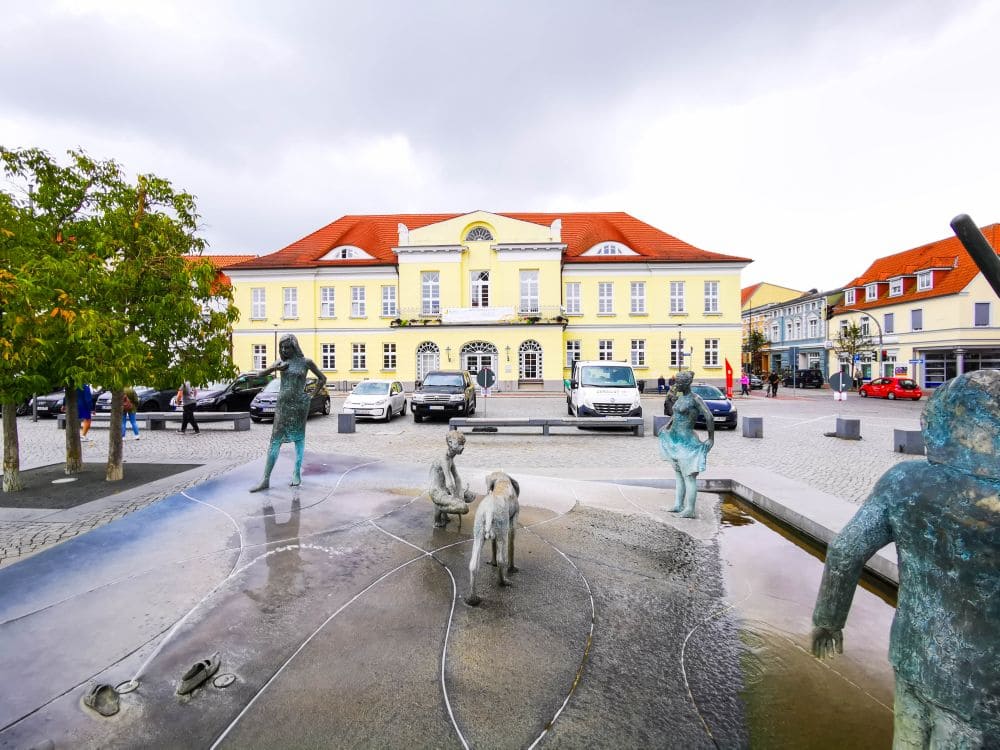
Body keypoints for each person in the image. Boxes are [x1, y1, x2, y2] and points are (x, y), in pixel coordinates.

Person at [812, 370, 999, 746]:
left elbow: (846, 551)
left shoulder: (904, 481)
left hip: (912, 653)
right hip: (981, 685)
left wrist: (828, 621)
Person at [250, 334, 327, 491]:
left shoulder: (306, 362)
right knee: (275, 441)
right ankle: (265, 479)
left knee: (299, 439)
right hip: (283, 405)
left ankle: (296, 472)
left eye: (287, 347)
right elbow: (259, 375)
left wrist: (312, 395)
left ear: (295, 347)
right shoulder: (280, 362)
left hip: (300, 405)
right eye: (282, 348)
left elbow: (322, 378)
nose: (284, 350)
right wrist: (275, 368)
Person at [657, 370, 715, 519]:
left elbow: (709, 416)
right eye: (676, 382)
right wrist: (667, 425)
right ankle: (678, 504)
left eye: (679, 383)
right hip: (675, 441)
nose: (676, 385)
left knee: (689, 476)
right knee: (678, 474)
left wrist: (711, 438)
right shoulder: (681, 398)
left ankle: (690, 509)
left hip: (687, 442)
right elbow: (675, 414)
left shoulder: (695, 399)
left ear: (687, 384)